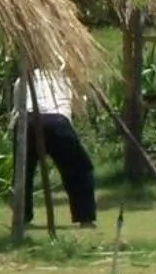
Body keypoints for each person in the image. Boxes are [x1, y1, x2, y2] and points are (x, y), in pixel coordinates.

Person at [13, 68, 97, 227]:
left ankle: (22, 217)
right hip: (57, 121)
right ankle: (85, 217)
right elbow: (79, 107)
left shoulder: (23, 78)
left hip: (27, 121)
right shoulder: (65, 79)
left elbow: (17, 108)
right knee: (79, 169)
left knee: (23, 172)